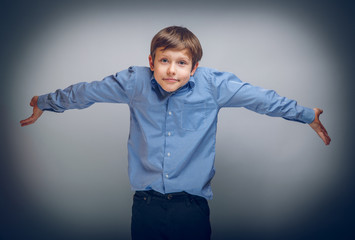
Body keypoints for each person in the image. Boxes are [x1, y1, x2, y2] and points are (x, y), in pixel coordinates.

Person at [20, 26, 331, 240]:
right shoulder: (135, 82)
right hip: (145, 205)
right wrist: (44, 102)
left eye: (181, 63)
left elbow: (262, 100)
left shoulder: (214, 85)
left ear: (194, 67)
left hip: (191, 208)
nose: (171, 70)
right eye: (164, 61)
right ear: (151, 62)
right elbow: (86, 92)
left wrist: (305, 115)